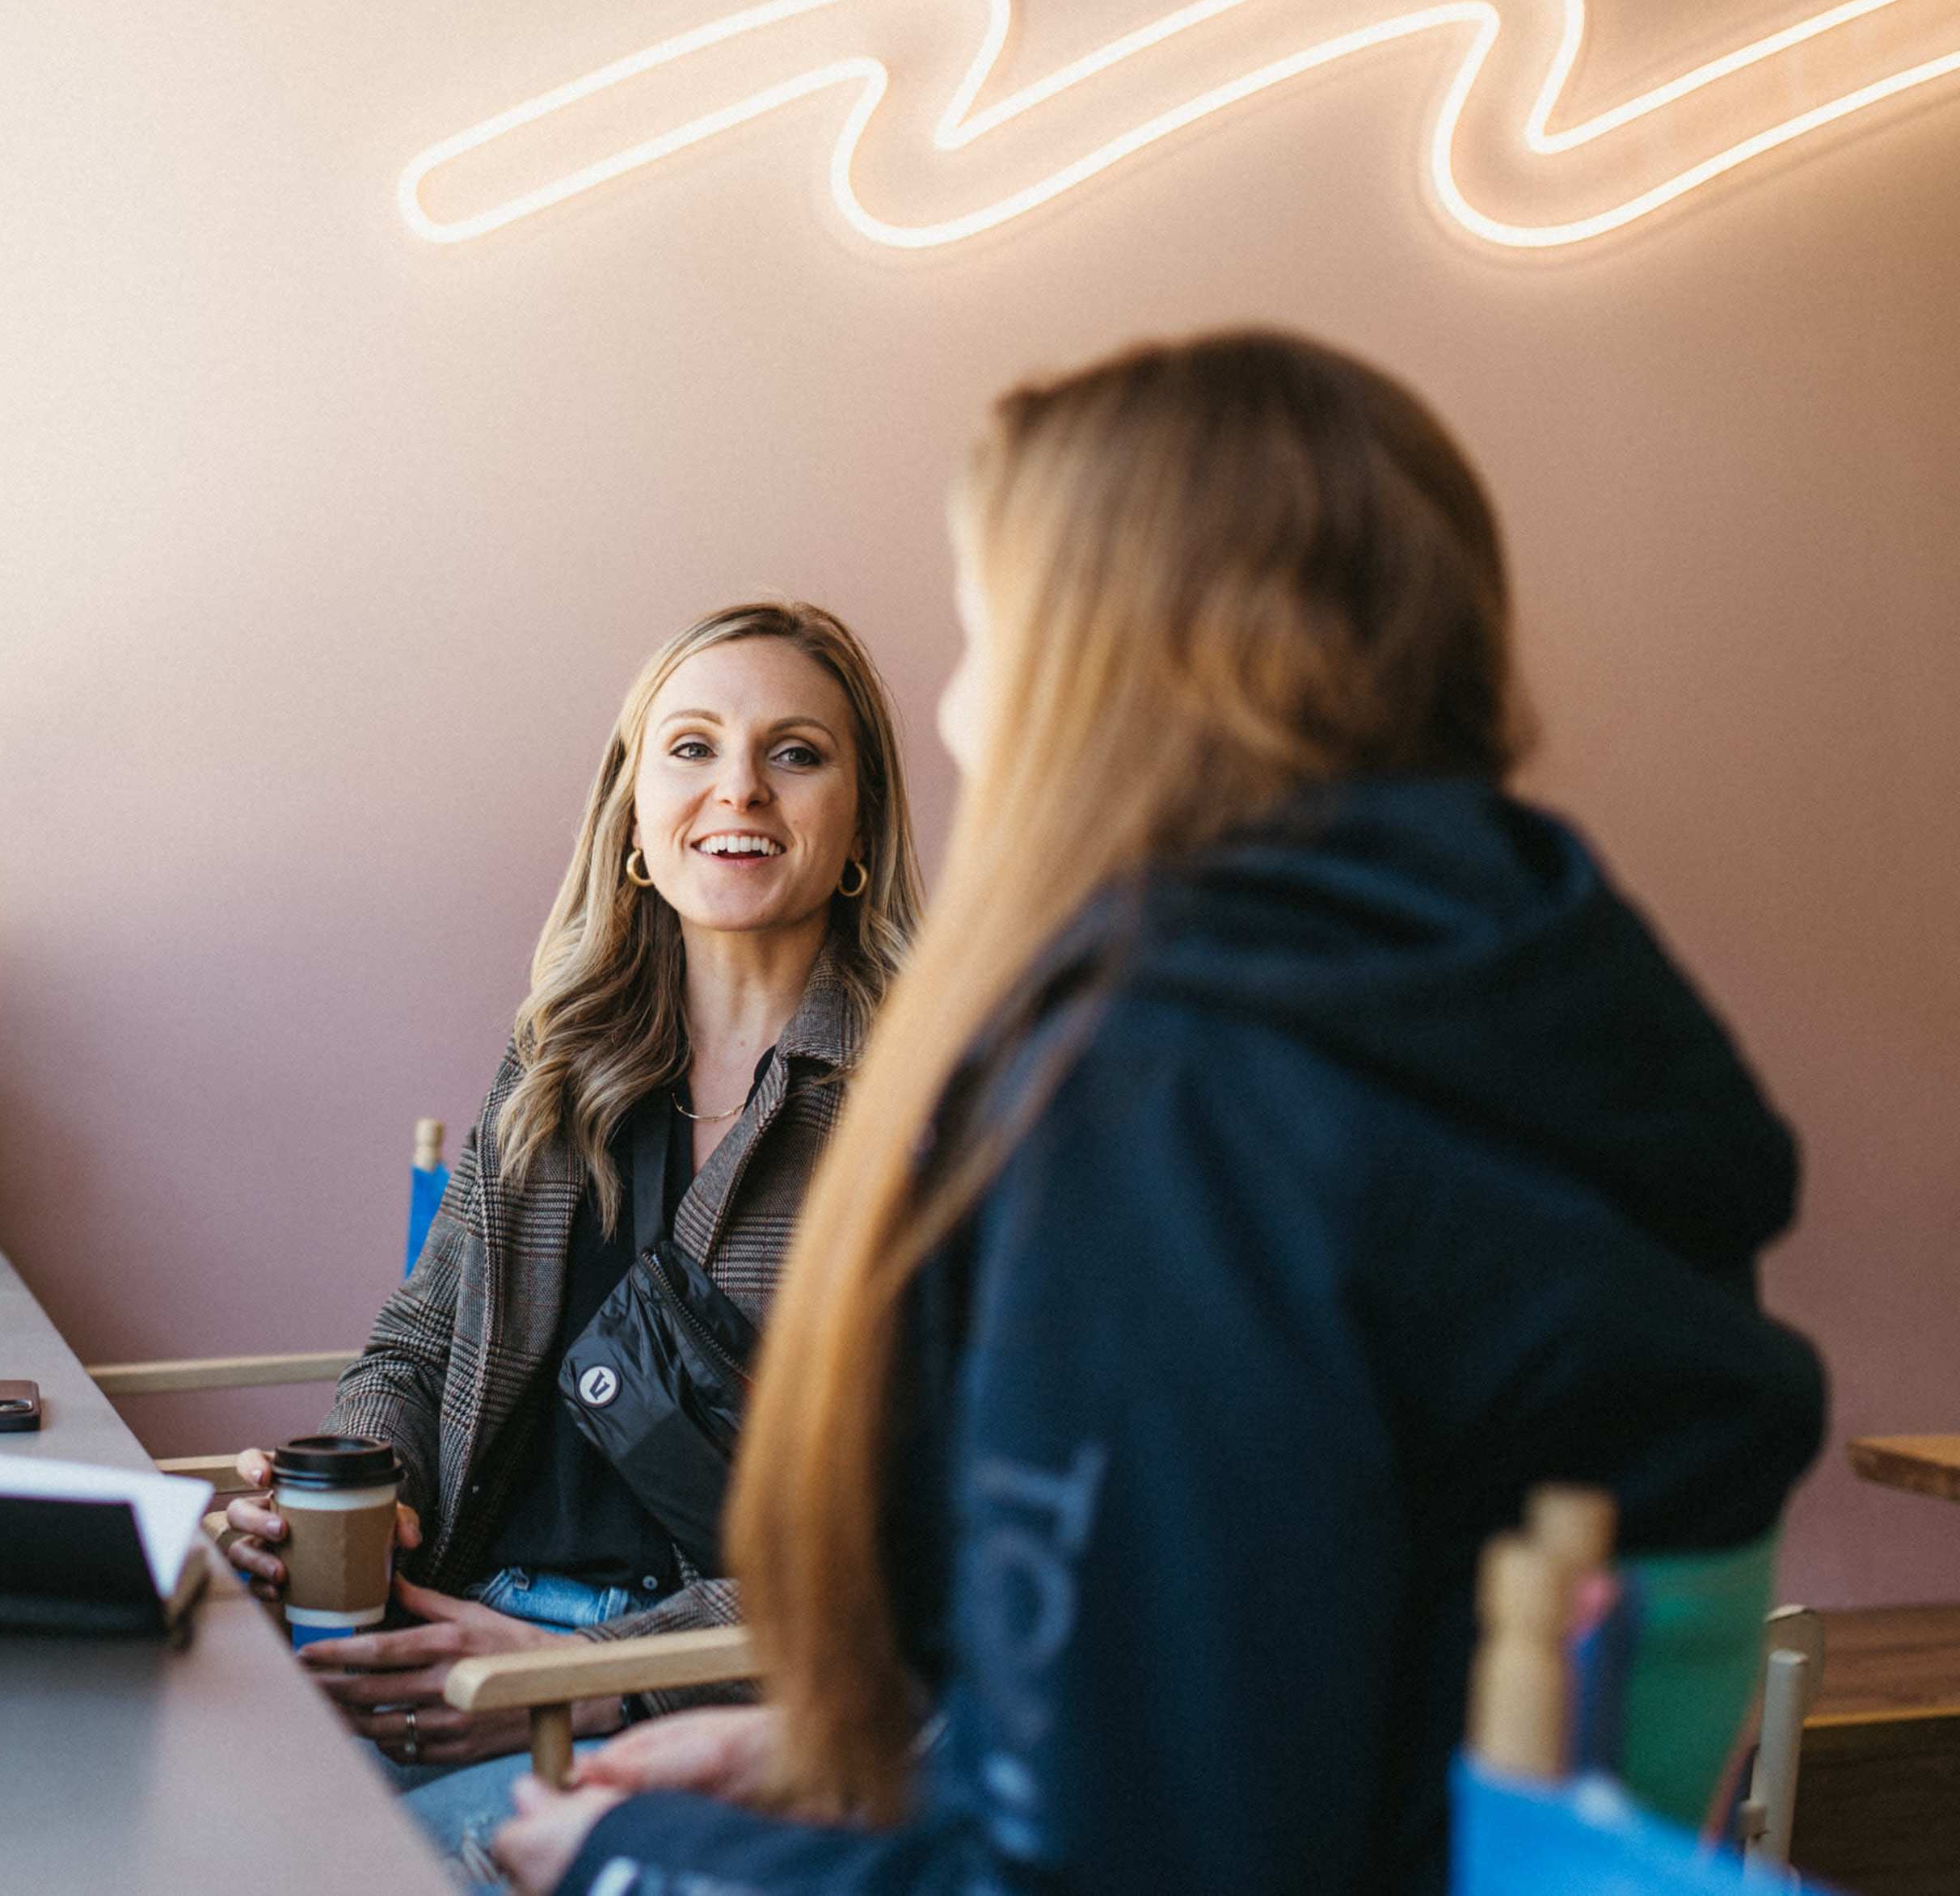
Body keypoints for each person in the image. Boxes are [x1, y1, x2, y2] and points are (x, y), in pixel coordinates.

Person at [491, 332, 1827, 1895]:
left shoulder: (1170, 1098)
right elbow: (1286, 1691)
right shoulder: (1527, 997)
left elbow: (1138, 1869)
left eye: (993, 643)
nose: (966, 714)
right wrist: (890, 1746)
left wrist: (636, 1859)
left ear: (1109, 667)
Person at [221, 600, 925, 1885]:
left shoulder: (927, 1106)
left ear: (862, 821)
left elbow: (910, 1534)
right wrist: (357, 1494)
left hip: (707, 1694)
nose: (742, 790)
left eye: (798, 752)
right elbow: (419, 1340)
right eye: (693, 746)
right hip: (441, 1639)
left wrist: (596, 1678)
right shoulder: (554, 1063)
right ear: (635, 812)